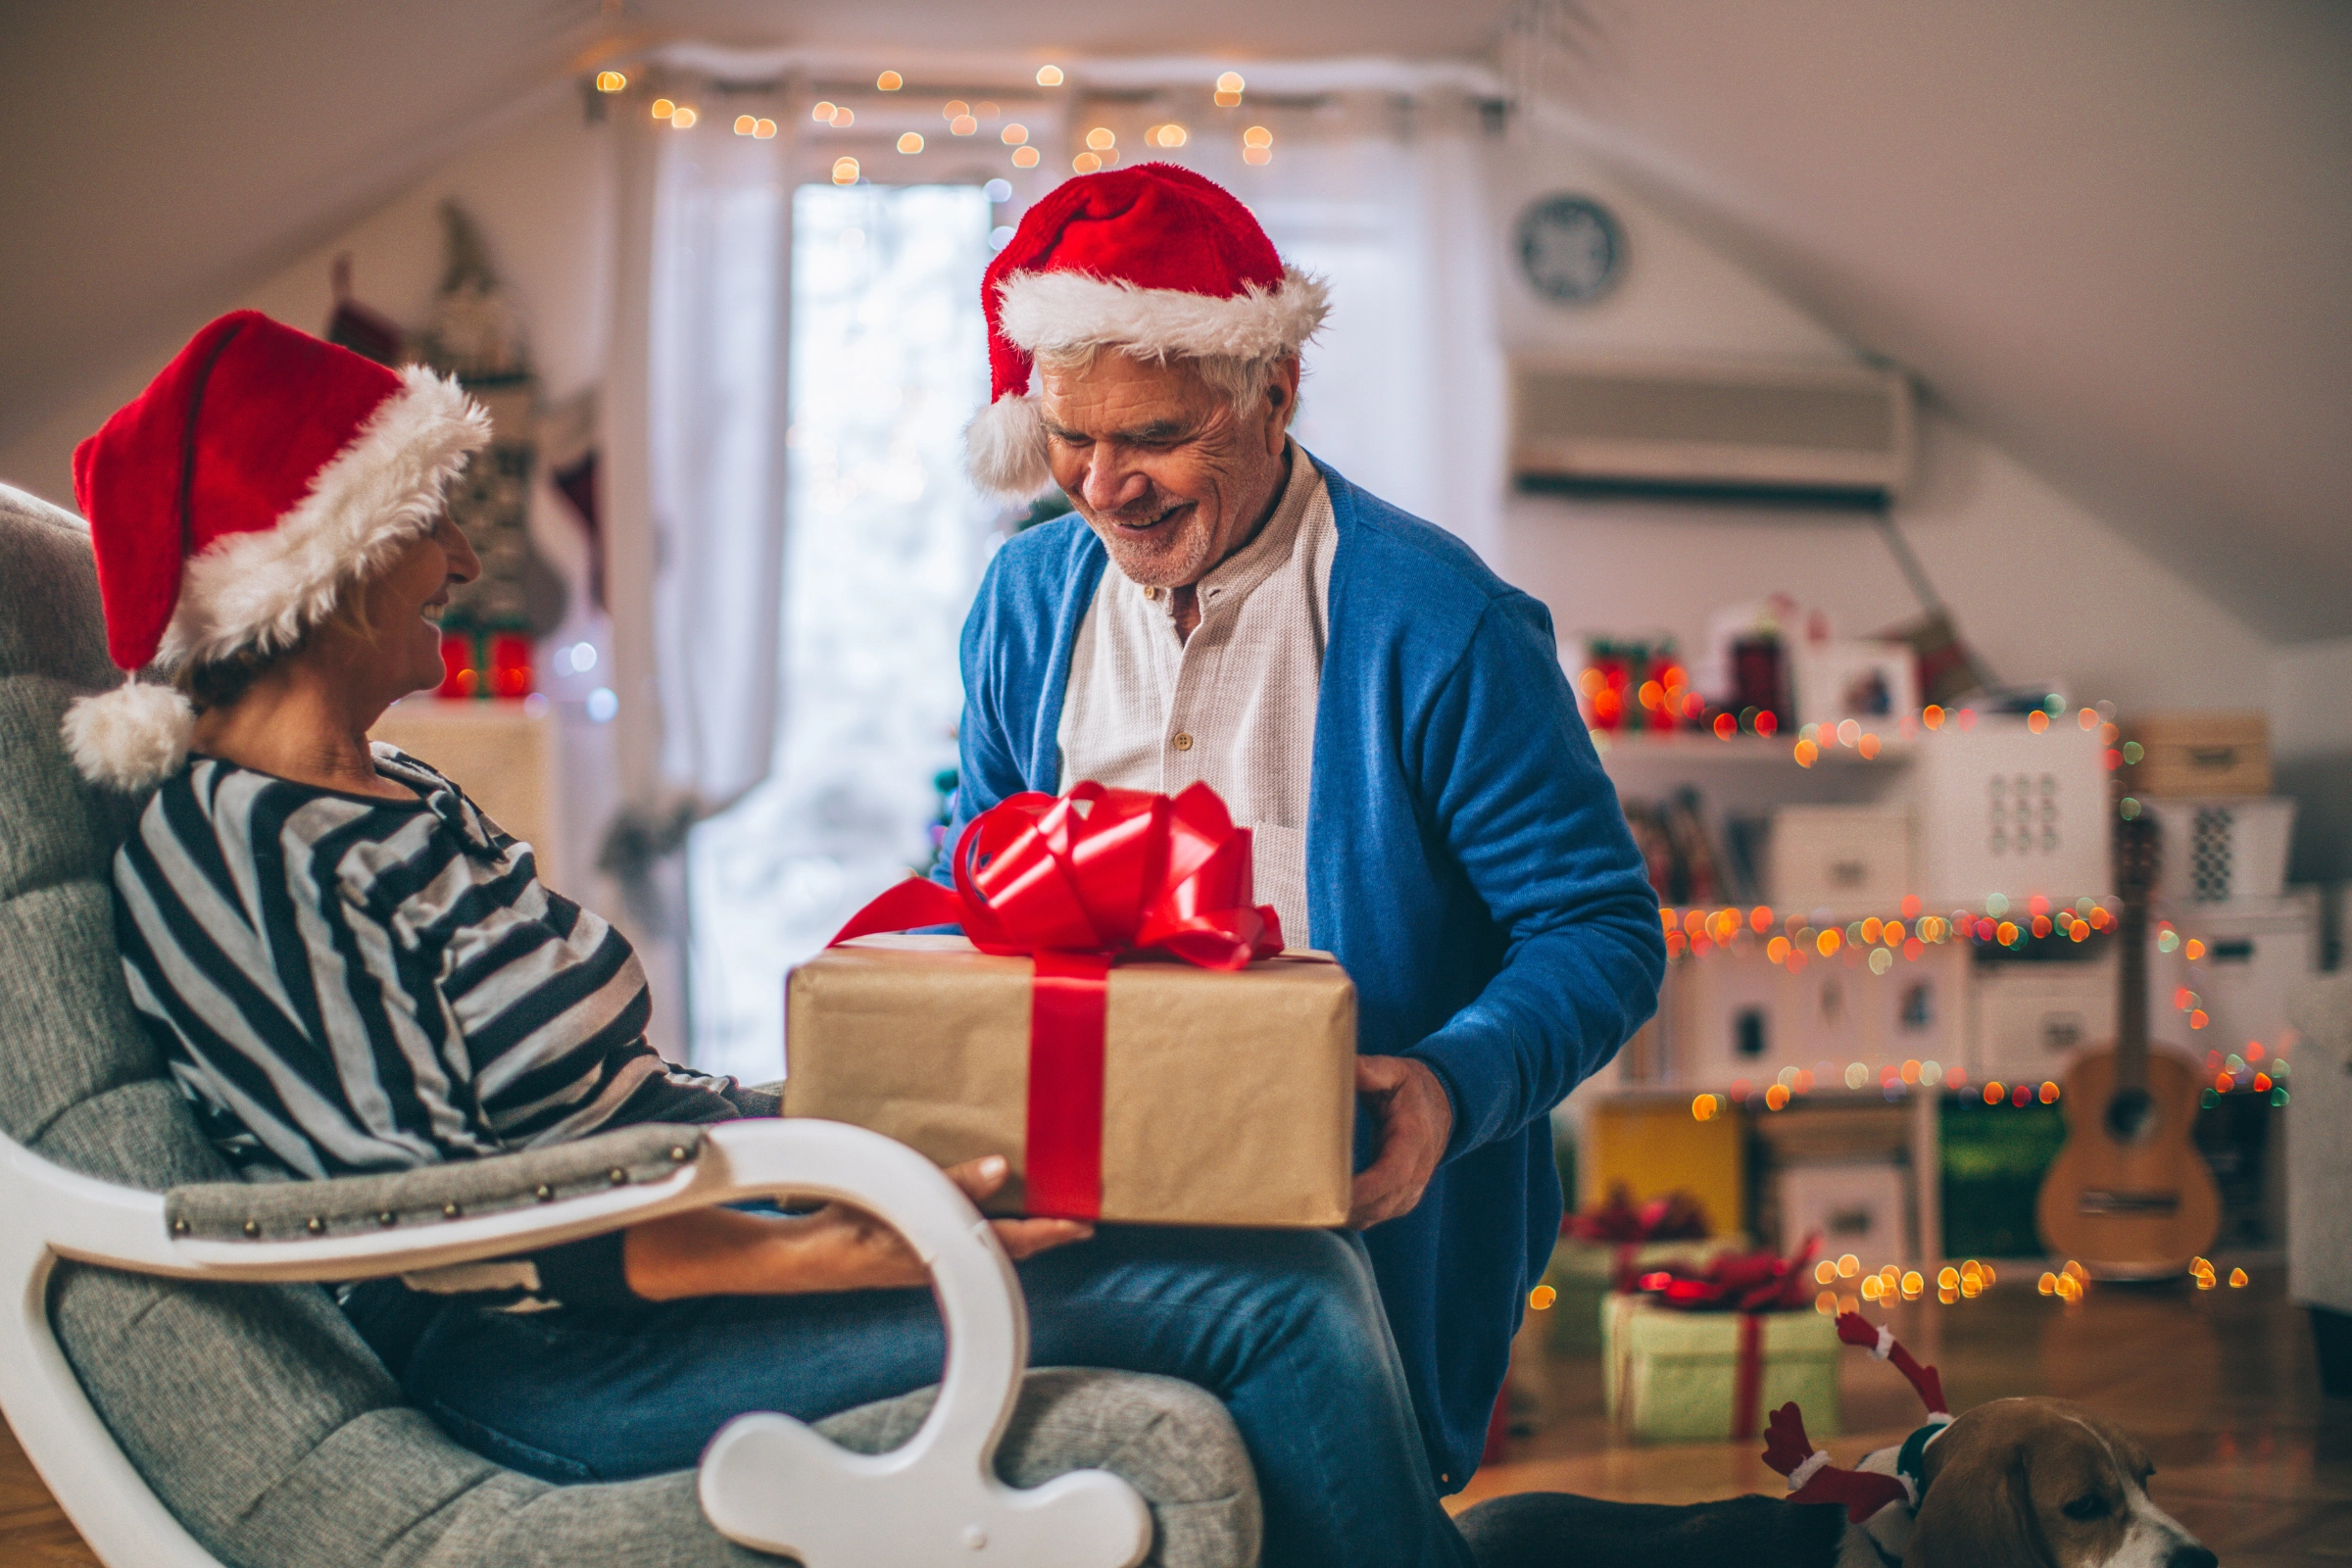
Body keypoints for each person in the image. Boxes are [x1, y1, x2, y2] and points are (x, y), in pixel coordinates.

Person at [64, 309, 1475, 1568]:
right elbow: (441, 1232)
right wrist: (832, 1244)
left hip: (659, 1250)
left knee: (1238, 1228)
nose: (463, 556)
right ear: (325, 563)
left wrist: (853, 1145)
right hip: (548, 1357)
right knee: (1272, 1296)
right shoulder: (240, 846)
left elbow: (590, 1115)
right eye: (428, 521)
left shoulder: (399, 790)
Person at [950, 164, 1668, 1494]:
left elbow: (1601, 930)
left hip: (1363, 1240)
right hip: (1083, 1226)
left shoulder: (1436, 621)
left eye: (1154, 436)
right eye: (1069, 437)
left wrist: (1454, 1083)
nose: (1104, 487)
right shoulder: (1022, 603)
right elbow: (979, 874)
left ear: (1272, 390)